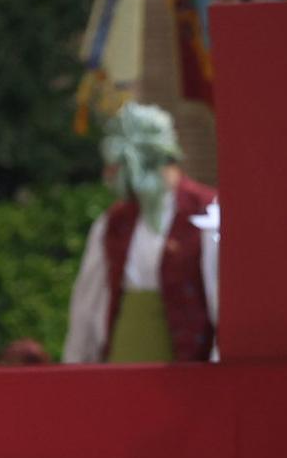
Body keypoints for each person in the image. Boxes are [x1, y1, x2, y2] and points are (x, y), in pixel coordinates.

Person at [64, 102, 220, 364]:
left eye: (118, 164)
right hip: (123, 359)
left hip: (188, 368)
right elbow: (86, 308)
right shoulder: (113, 223)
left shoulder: (207, 214)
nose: (109, 175)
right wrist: (74, 369)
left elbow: (223, 303)